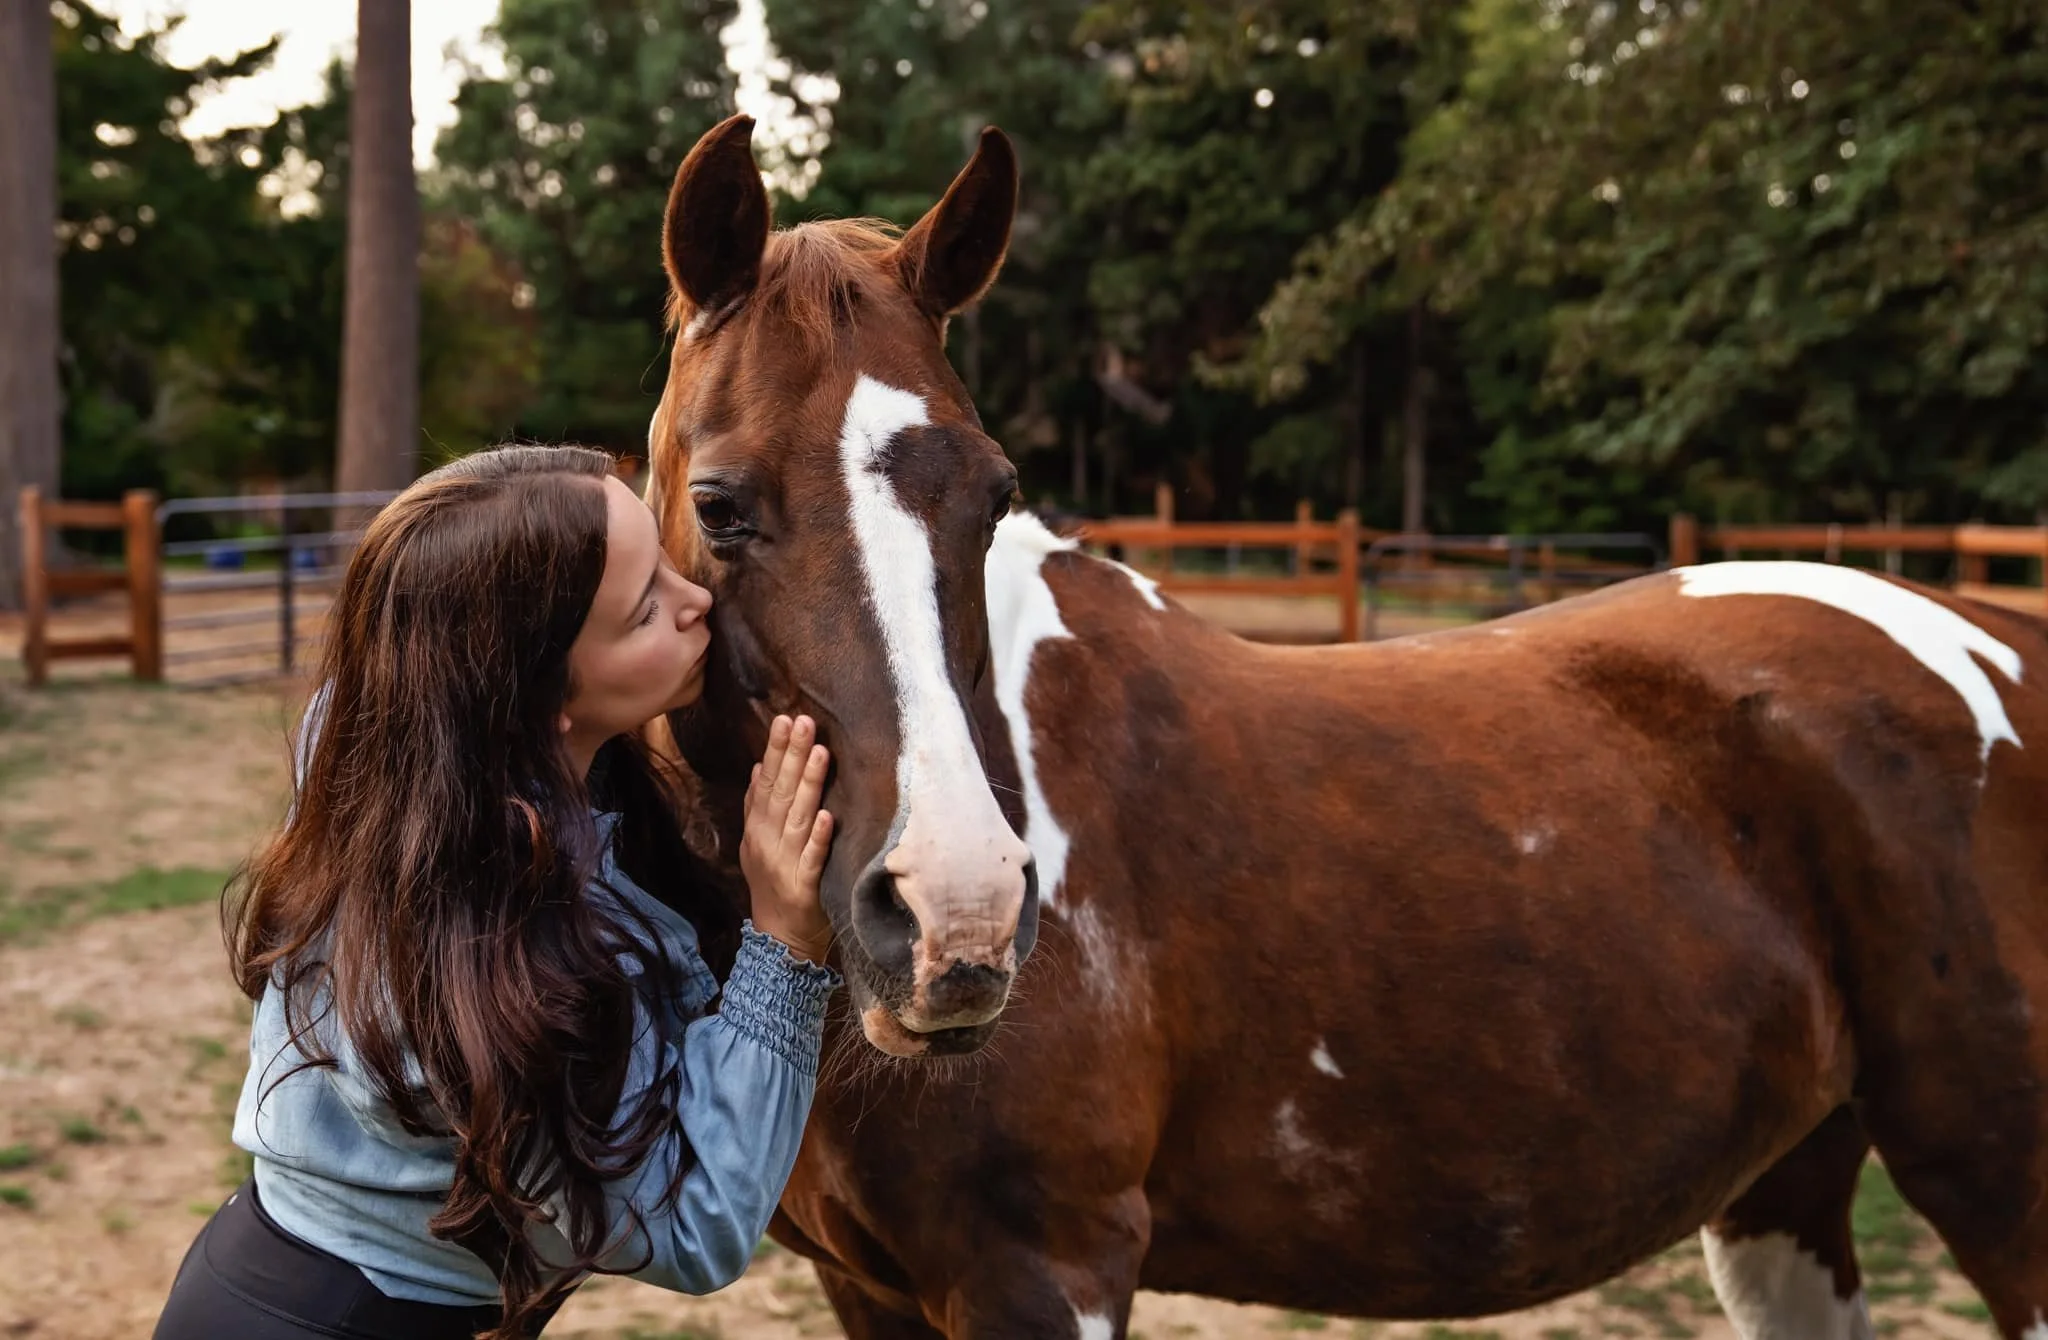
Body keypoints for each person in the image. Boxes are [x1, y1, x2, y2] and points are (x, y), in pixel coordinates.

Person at [153, 446, 841, 1340]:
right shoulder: (516, 951)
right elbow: (695, 1228)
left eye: (669, 561)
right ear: (538, 695)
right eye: (644, 613)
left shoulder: (381, 744)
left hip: (261, 1273)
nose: (696, 599)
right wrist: (785, 945)